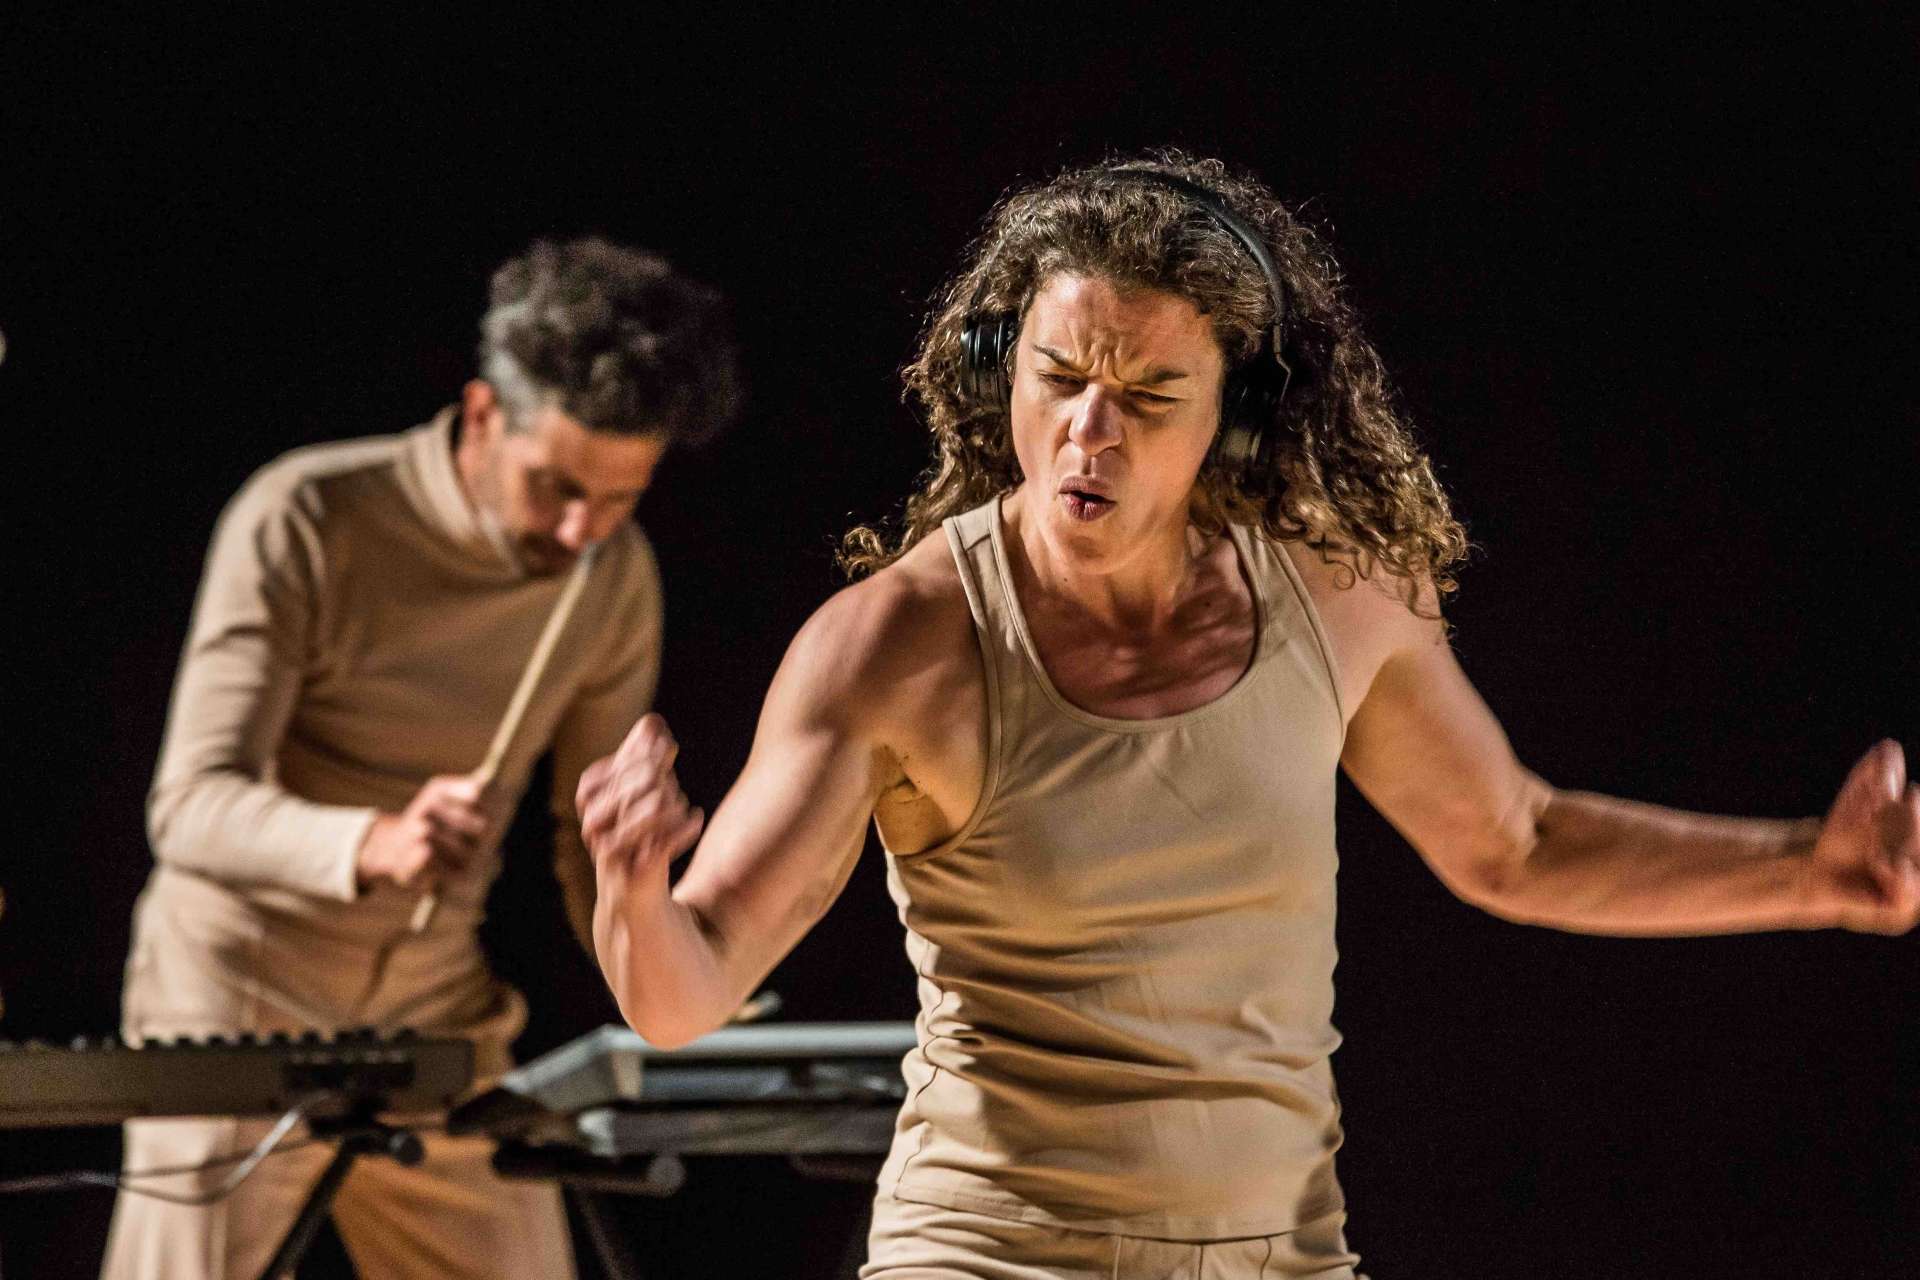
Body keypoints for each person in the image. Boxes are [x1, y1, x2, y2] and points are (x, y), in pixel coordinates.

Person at [576, 153, 1918, 1280]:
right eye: (1058, 378)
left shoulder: (1331, 588)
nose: (1088, 435)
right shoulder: (897, 645)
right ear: (1005, 368)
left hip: (1278, 1255)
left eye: (1150, 396)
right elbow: (687, 988)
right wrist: (634, 891)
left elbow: (1519, 841)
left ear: (1237, 413)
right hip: (990, 1253)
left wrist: (1813, 872)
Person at [102, 237, 741, 1280]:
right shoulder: (308, 514)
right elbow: (188, 805)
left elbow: (587, 860)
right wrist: (372, 840)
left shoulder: (615, 577)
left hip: (433, 1013)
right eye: (556, 487)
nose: (583, 531)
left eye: (620, 498)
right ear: (484, 415)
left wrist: (653, 904)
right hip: (233, 993)